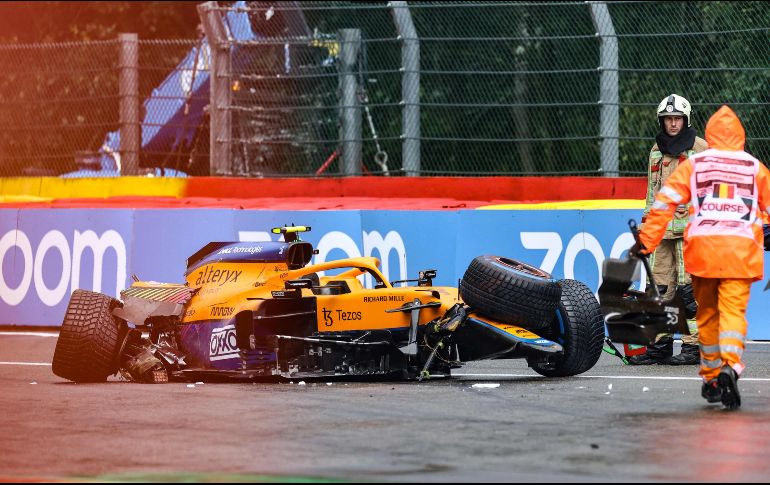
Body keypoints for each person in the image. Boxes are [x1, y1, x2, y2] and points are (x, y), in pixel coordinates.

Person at [631, 105, 770, 410]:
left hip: (703, 253)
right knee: (732, 314)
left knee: (706, 315)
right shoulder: (754, 167)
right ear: (740, 136)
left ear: (710, 135)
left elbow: (663, 203)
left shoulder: (695, 164)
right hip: (740, 255)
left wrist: (646, 242)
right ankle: (730, 366)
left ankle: (710, 377)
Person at [629, 94, 708, 365]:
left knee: (688, 291)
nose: (673, 124)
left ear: (686, 120)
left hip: (690, 233)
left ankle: (693, 347)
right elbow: (652, 195)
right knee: (658, 288)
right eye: (668, 119)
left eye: (677, 119)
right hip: (661, 232)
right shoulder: (656, 150)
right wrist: (646, 229)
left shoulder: (701, 149)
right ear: (661, 121)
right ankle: (659, 346)